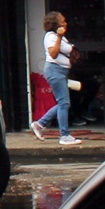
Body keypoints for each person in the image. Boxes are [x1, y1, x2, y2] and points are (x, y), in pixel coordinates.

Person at [30, 11, 82, 146]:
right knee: (64, 103)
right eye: (62, 21)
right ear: (55, 24)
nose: (65, 23)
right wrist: (59, 36)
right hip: (55, 71)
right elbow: (53, 54)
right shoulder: (50, 36)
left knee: (62, 103)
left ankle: (39, 124)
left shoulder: (61, 37)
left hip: (62, 72)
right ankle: (64, 135)